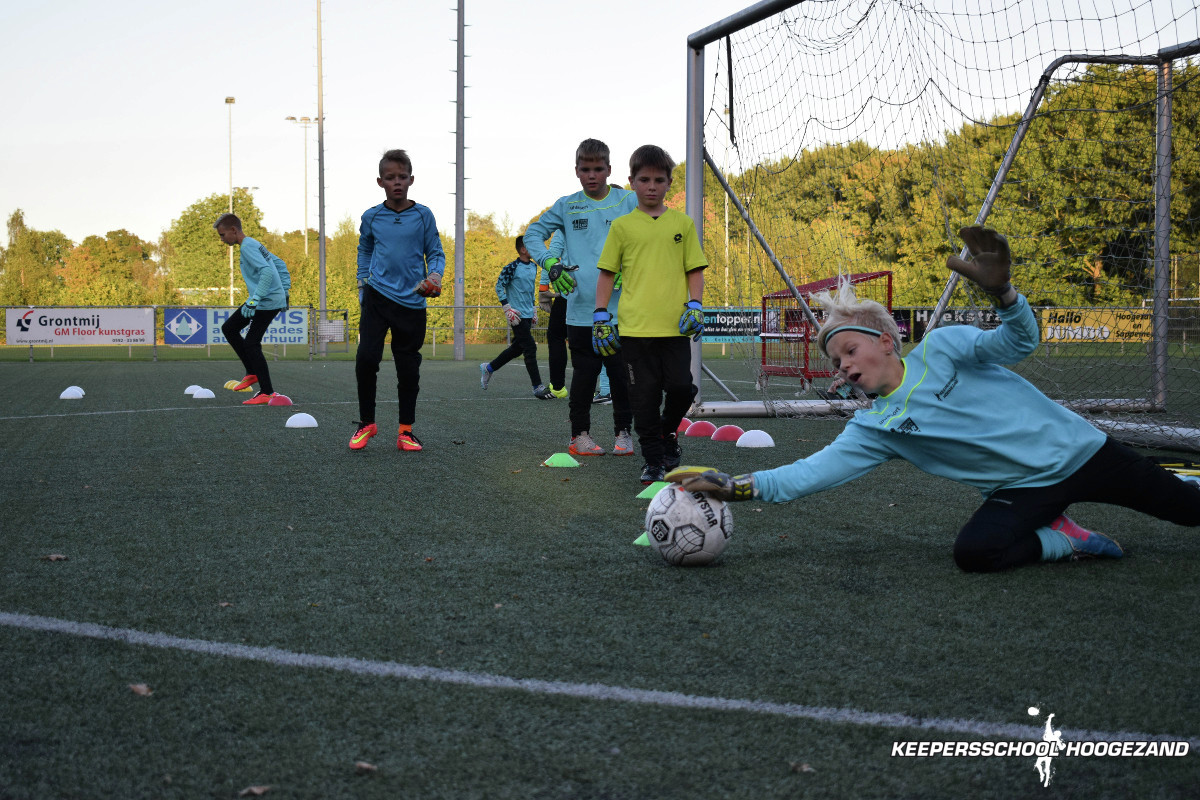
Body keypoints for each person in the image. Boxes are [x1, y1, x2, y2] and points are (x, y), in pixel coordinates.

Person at [668, 225, 1200, 572]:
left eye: (849, 350)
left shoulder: (943, 348)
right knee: (976, 553)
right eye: (836, 363)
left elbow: (1020, 342)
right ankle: (1067, 539)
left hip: (1086, 453)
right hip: (1023, 490)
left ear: (885, 341)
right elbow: (810, 473)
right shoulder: (874, 429)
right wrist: (737, 487)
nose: (844, 366)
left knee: (1189, 510)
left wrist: (1004, 294)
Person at [594, 144, 708, 484]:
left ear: (670, 182)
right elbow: (607, 273)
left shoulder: (682, 224)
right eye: (644, 180)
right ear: (632, 182)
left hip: (674, 328)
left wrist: (696, 303)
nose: (652, 186)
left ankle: (666, 432)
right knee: (643, 398)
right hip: (634, 330)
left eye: (659, 180)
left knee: (682, 388)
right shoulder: (622, 226)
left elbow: (694, 269)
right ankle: (654, 461)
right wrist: (600, 314)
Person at [523, 138, 638, 457]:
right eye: (585, 169)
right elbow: (533, 234)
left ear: (609, 170)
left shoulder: (628, 201)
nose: (592, 175)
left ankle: (623, 434)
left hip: (621, 311)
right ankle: (579, 436)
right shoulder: (566, 205)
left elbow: (650, 233)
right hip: (580, 310)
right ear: (576, 171)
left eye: (598, 169)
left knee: (621, 376)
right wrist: (550, 262)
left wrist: (631, 267)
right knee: (585, 377)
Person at [350, 149, 446, 452]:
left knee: (408, 369)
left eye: (402, 177)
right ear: (380, 181)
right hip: (377, 297)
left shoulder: (423, 215)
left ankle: (406, 432)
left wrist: (435, 276)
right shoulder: (371, 217)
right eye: (390, 177)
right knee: (367, 358)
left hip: (412, 302)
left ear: (411, 180)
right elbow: (365, 250)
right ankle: (367, 423)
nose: (397, 182)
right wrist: (362, 284)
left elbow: (435, 252)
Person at [212, 213, 291, 406]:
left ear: (233, 230)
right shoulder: (253, 244)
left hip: (266, 301)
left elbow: (266, 271)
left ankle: (266, 391)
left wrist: (255, 300)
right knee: (230, 328)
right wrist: (285, 291)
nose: (222, 239)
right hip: (266, 298)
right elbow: (279, 264)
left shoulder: (248, 247)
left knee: (251, 343)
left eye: (222, 235)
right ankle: (252, 373)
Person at [480, 236, 554, 398]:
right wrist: (507, 308)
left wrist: (534, 310)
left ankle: (489, 368)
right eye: (530, 246)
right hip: (516, 316)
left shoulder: (533, 267)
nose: (534, 249)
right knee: (530, 347)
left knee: (517, 348)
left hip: (528, 314)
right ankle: (537, 387)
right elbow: (499, 286)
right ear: (523, 249)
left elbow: (529, 290)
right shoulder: (511, 267)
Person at [538, 263, 570, 398]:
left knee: (556, 335)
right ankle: (597, 390)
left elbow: (551, 257)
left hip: (569, 288)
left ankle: (558, 387)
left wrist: (543, 288)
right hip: (595, 286)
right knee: (586, 337)